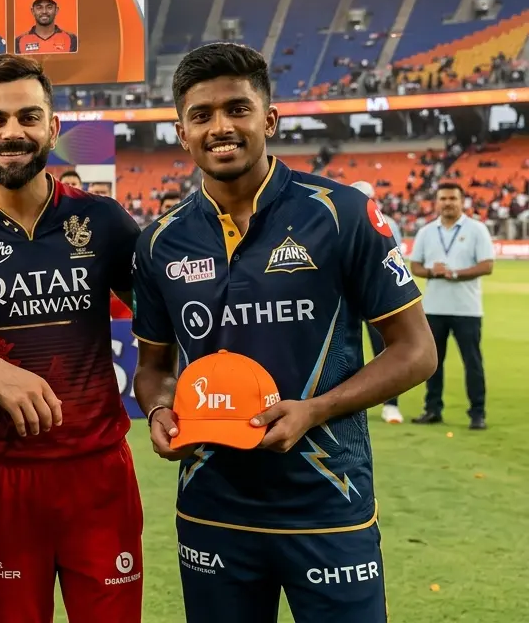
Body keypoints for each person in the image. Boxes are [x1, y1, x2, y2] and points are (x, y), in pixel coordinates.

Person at [130, 43, 435, 623]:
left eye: (237, 109)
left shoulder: (343, 213)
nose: (220, 127)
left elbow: (416, 352)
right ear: (181, 132)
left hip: (327, 501)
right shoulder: (159, 242)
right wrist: (158, 413)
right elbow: (152, 368)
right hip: (210, 506)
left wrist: (315, 410)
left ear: (269, 119)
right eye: (201, 115)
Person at [0, 54, 144, 623]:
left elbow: (165, 321)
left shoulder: (106, 221)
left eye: (28, 117)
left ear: (53, 127)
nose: (12, 132)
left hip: (98, 475)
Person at [406, 181, 494, 430]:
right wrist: (433, 272)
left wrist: (454, 273)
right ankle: (432, 409)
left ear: (462, 201)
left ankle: (477, 413)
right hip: (434, 308)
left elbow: (487, 265)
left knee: (472, 363)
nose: (447, 203)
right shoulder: (426, 231)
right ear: (436, 202)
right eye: (443, 199)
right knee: (433, 362)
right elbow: (415, 266)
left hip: (467, 309)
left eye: (452, 199)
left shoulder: (476, 229)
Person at [349, 181, 405, 423]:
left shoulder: (388, 224)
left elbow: (395, 258)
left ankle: (390, 404)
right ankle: (344, 403)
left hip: (374, 295)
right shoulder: (337, 221)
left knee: (385, 350)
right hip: (345, 296)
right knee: (340, 351)